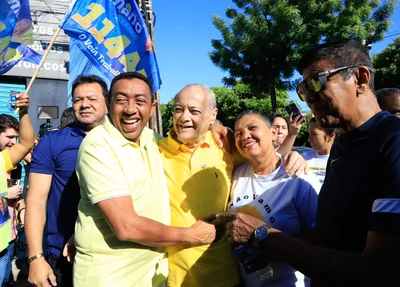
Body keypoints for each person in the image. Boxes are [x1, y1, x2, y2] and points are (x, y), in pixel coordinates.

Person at [221, 39, 400, 286]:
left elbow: (380, 269)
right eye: (303, 88)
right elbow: (331, 234)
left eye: (317, 81)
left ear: (360, 78)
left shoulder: (393, 143)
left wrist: (266, 236)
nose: (308, 98)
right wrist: (273, 249)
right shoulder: (344, 143)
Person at [73, 73, 216, 287]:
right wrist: (192, 235)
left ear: (152, 107)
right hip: (109, 279)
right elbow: (126, 227)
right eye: (121, 100)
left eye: (140, 101)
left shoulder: (152, 139)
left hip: (153, 276)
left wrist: (218, 128)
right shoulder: (98, 146)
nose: (130, 109)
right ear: (110, 104)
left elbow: (190, 131)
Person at [158, 84, 310, 287]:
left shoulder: (226, 150)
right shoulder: (154, 152)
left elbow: (263, 158)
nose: (184, 117)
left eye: (194, 110)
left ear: (212, 115)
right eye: (178, 109)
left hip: (230, 277)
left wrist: (294, 156)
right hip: (178, 278)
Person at [25, 75, 109, 287]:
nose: (84, 104)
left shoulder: (125, 141)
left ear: (107, 103)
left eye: (92, 98)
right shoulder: (53, 142)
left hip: (111, 252)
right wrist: (35, 258)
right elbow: (35, 201)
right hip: (62, 254)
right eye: (78, 99)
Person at [229, 110, 320, 287]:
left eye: (252, 128)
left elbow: (322, 234)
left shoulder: (297, 177)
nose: (245, 135)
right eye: (238, 133)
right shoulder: (237, 174)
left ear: (272, 134)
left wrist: (276, 249)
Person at [0, 94, 34, 286]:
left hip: (8, 242)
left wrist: (24, 111)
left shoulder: (7, 162)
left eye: (16, 137)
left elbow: (26, 143)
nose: (14, 142)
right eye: (9, 137)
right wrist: (4, 195)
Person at [301, 117, 336, 184]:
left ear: (331, 136)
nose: (309, 139)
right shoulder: (303, 159)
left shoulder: (342, 160)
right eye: (309, 134)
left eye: (314, 134)